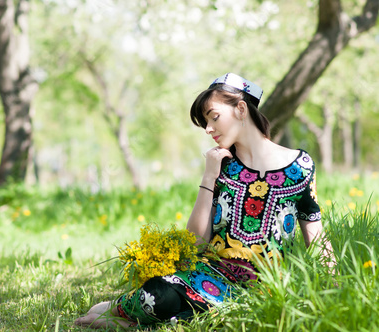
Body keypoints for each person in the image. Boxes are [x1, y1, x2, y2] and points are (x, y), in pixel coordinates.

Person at [74, 73, 335, 329]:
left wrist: (336, 286)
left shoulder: (300, 166)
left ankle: (128, 320)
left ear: (241, 109)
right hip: (210, 279)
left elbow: (315, 232)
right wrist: (209, 175)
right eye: (205, 123)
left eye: (214, 118)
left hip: (268, 289)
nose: (209, 129)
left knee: (195, 313)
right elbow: (196, 242)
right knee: (158, 294)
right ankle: (123, 310)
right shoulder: (221, 166)